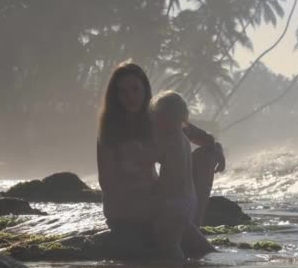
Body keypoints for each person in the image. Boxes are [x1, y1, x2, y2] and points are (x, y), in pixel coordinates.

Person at [96, 62, 225, 253]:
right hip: (126, 205)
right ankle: (207, 255)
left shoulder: (157, 118)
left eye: (135, 89)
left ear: (144, 89)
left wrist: (216, 149)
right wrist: (149, 193)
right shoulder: (111, 130)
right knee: (174, 217)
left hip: (160, 200)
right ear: (115, 96)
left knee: (205, 156)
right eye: (122, 92)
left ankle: (189, 230)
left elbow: (201, 137)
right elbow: (107, 184)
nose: (130, 97)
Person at [149, 90, 215, 260]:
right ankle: (195, 262)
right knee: (177, 238)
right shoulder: (183, 138)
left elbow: (151, 157)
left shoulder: (168, 140)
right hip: (189, 200)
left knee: (169, 242)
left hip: (173, 201)